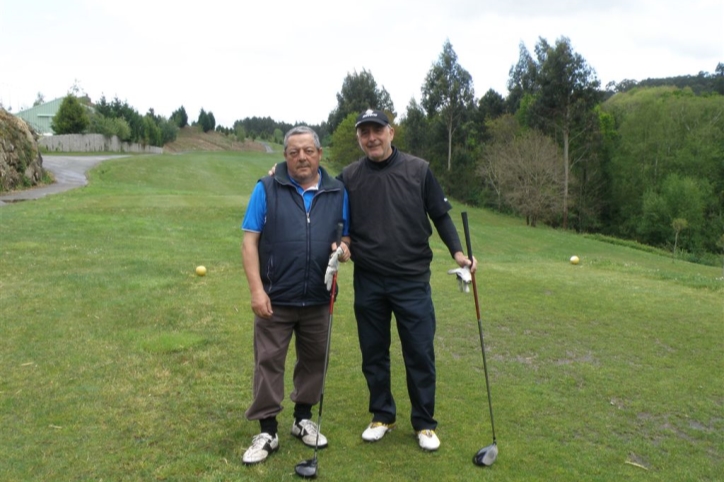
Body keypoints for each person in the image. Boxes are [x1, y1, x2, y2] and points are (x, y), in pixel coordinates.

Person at [341, 109, 476, 452]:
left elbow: (441, 216)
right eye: (364, 132)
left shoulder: (419, 170)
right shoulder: (349, 176)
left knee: (419, 351)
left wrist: (459, 254)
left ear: (391, 132)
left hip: (412, 279)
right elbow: (327, 205)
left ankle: (424, 423)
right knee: (373, 353)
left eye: (377, 130)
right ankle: (382, 415)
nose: (371, 137)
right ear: (359, 138)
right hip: (369, 279)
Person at [240, 125, 350, 465]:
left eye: (308, 151)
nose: (301, 157)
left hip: (319, 296)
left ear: (319, 154)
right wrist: (257, 290)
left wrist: (343, 250)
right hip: (276, 296)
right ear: (285, 156)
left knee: (314, 361)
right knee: (268, 362)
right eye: (293, 152)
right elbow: (249, 241)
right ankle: (268, 430)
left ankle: (303, 419)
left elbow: (347, 237)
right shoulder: (267, 188)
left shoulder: (337, 191)